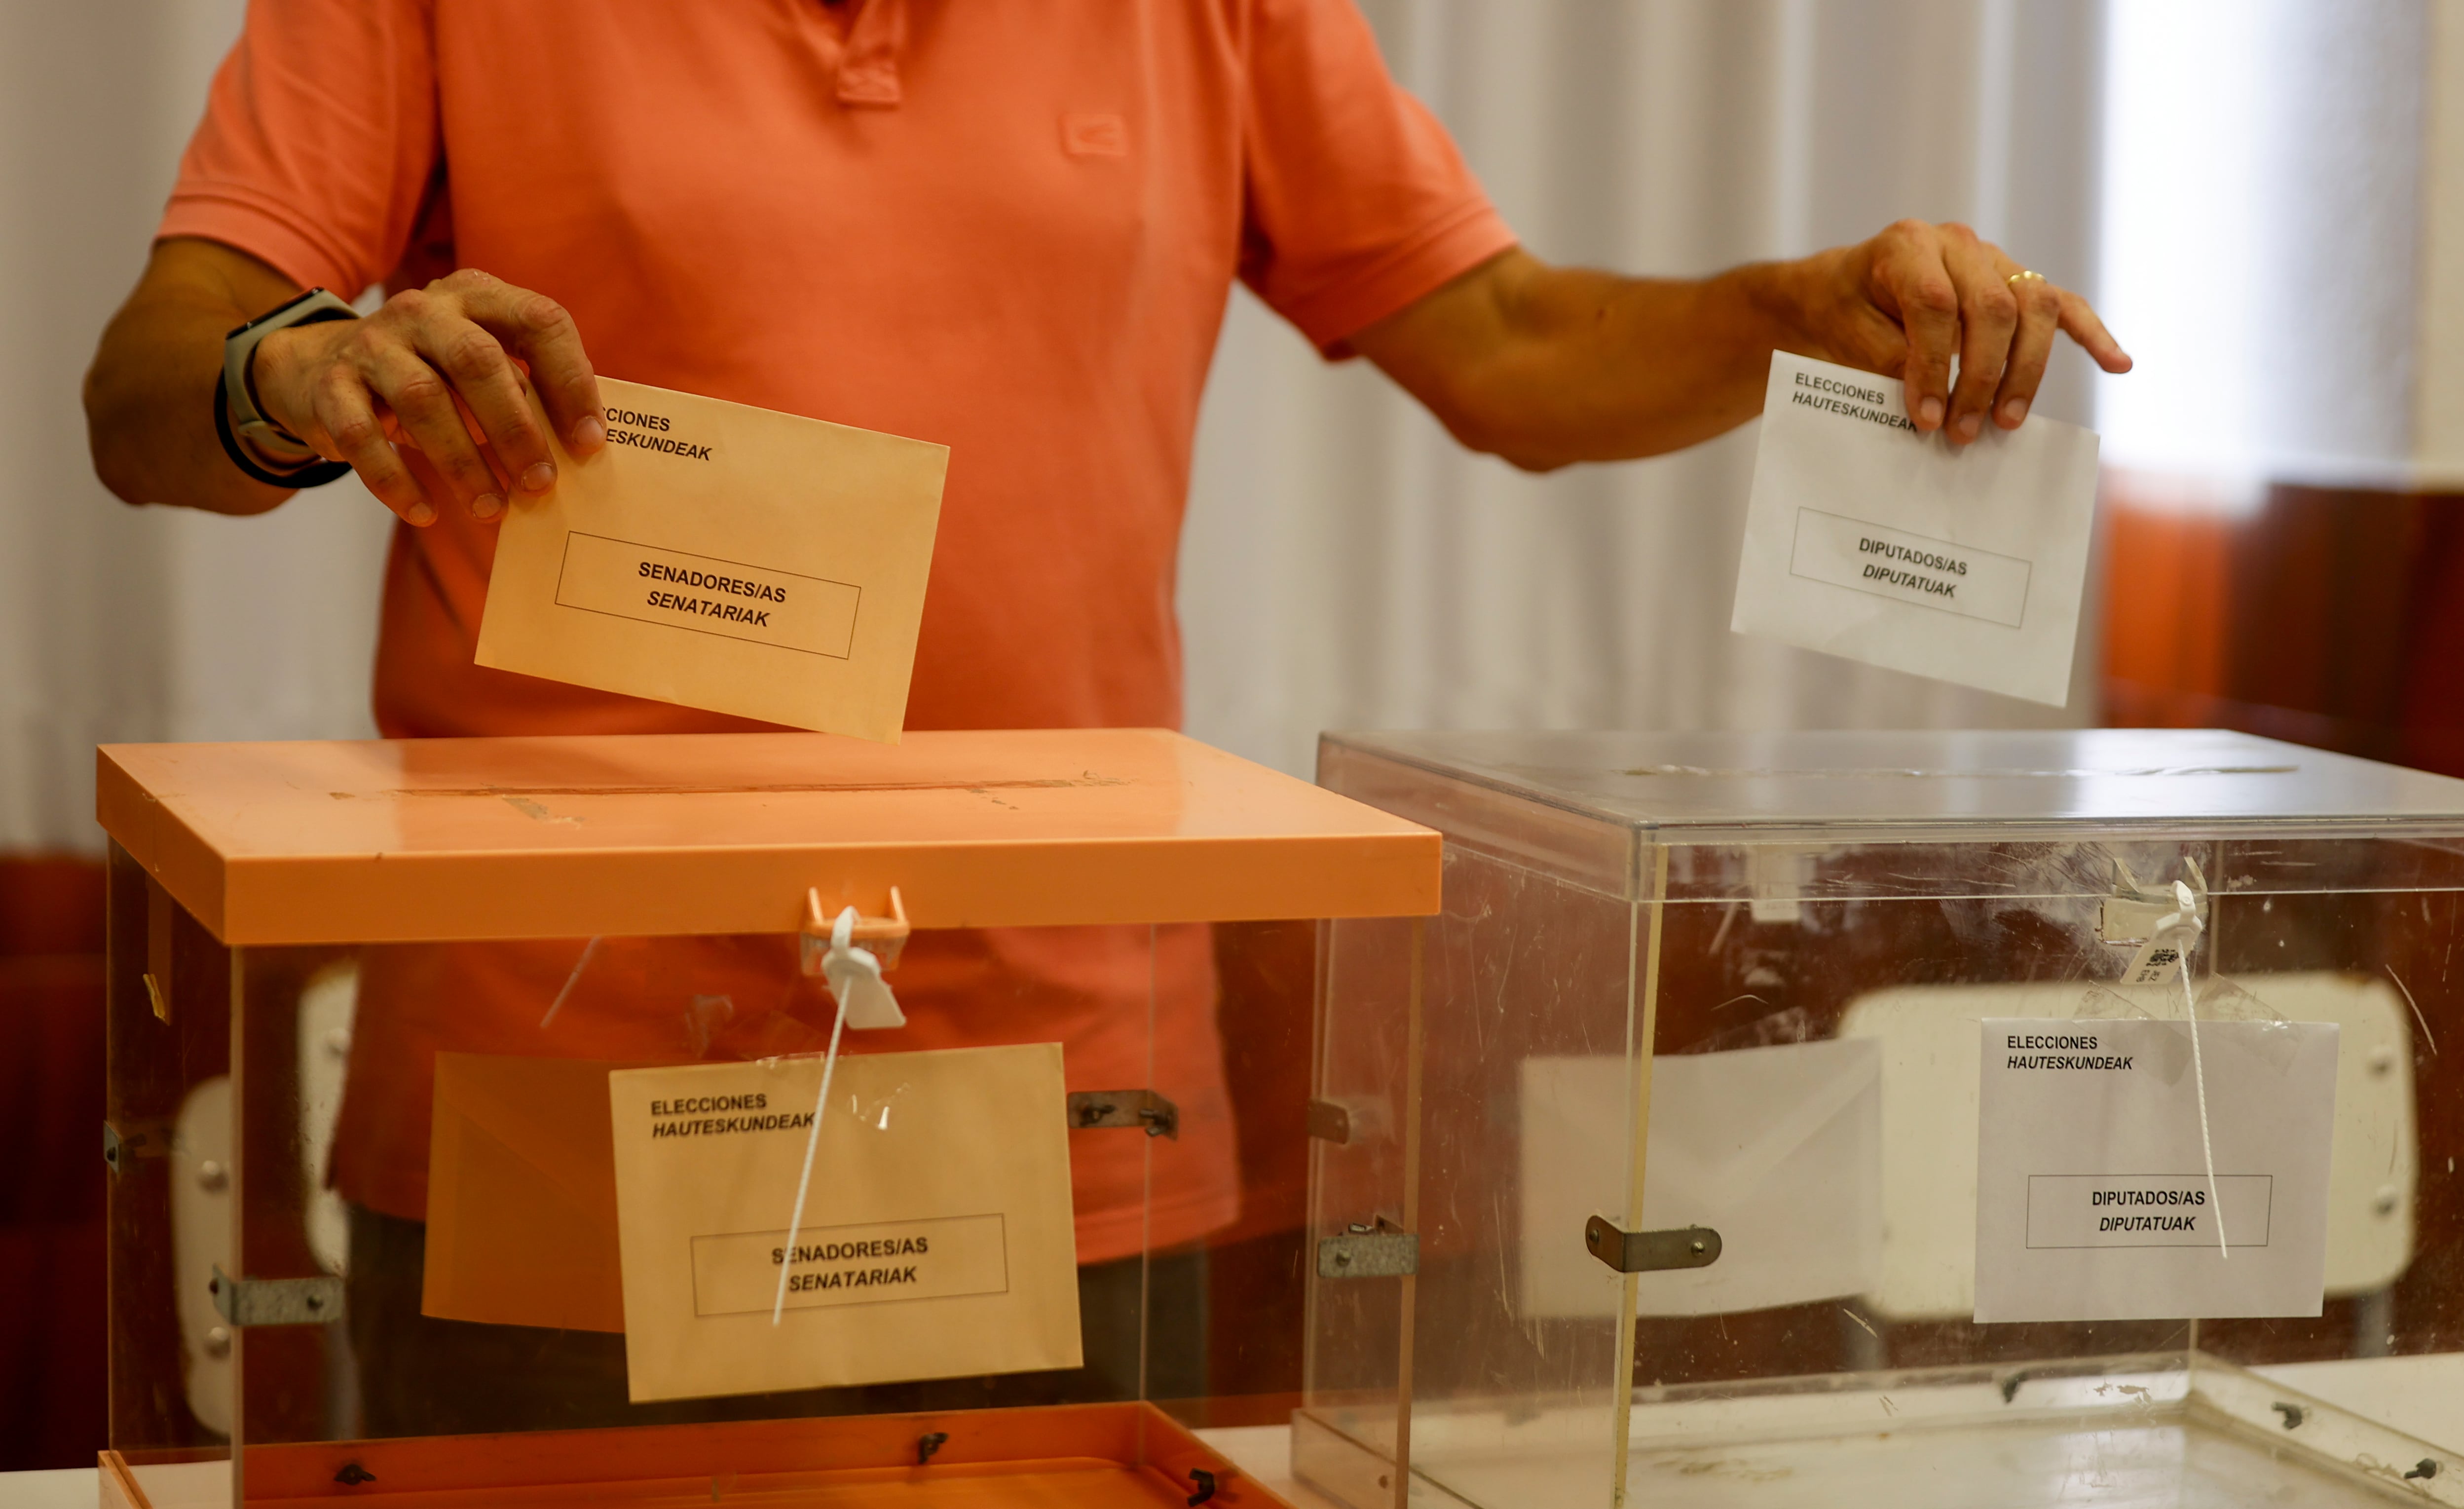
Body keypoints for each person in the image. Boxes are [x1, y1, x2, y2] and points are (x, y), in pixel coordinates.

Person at [84, 0, 2128, 1435]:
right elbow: (154, 380)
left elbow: (1506, 347)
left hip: (1066, 1085)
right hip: (560, 1064)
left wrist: (1780, 309)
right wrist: (308, 370)